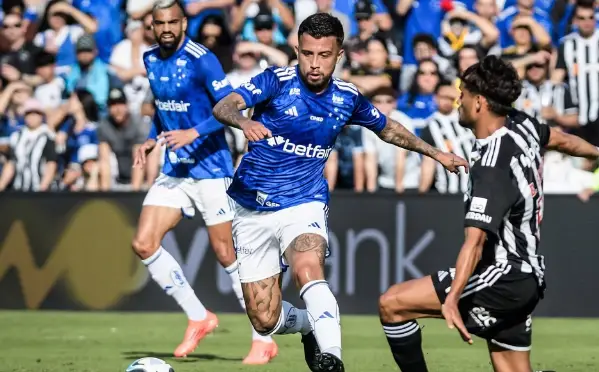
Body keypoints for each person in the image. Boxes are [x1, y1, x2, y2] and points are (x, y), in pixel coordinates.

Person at [212, 12, 468, 372]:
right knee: (264, 320)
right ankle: (309, 327)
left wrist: (437, 153)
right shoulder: (275, 81)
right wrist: (243, 121)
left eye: (323, 55)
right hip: (251, 205)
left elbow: (388, 128)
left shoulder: (347, 98)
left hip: (304, 201)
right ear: (297, 50)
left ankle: (332, 358)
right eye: (307, 54)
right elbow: (224, 105)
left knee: (307, 266)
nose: (314, 64)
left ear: (339, 54)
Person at [376, 55, 599, 372]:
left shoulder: (492, 166)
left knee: (393, 304)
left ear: (479, 103)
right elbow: (562, 139)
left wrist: (453, 297)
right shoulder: (521, 124)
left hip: (502, 276)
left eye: (464, 94)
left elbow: (474, 242)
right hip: (526, 276)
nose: (459, 100)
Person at [129, 0, 278, 364]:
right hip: (176, 169)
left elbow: (230, 109)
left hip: (212, 167)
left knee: (227, 254)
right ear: (152, 24)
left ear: (183, 24)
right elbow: (164, 110)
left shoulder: (202, 59)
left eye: (172, 22)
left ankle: (263, 337)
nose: (165, 28)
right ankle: (199, 316)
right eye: (159, 23)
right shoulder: (150, 59)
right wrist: (152, 138)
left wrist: (192, 132)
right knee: (143, 243)